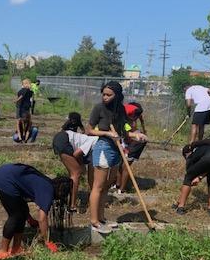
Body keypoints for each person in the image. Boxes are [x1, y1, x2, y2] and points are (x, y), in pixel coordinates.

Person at [0, 163, 71, 259]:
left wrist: (29, 219)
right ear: (60, 192)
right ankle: (2, 251)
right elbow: (42, 218)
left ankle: (16, 249)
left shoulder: (46, 184)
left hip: (5, 174)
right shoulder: (48, 191)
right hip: (4, 180)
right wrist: (47, 241)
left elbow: (24, 207)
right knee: (15, 216)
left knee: (21, 214)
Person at [86, 81, 127, 235]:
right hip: (103, 146)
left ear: (117, 96)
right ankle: (94, 221)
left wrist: (135, 135)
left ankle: (102, 218)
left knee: (107, 185)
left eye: (109, 95)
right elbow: (89, 130)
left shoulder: (121, 109)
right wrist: (107, 133)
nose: (105, 97)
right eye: (103, 94)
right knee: (98, 185)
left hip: (116, 148)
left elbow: (124, 130)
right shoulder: (99, 108)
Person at [174, 140, 210, 216]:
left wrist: (193, 178)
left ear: (187, 153)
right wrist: (199, 177)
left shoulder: (194, 152)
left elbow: (190, 173)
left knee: (188, 178)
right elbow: (209, 167)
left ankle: (180, 207)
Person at [52, 129, 97, 212]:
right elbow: (76, 153)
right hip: (64, 139)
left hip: (62, 139)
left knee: (74, 173)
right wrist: (81, 165)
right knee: (76, 173)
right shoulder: (95, 141)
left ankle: (64, 200)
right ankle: (72, 205)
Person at [114, 102, 148, 194]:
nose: (134, 120)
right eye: (133, 118)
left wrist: (143, 131)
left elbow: (127, 133)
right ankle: (117, 184)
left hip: (137, 141)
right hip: (131, 138)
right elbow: (124, 133)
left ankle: (122, 189)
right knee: (120, 163)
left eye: (135, 118)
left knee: (126, 165)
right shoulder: (122, 114)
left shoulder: (130, 113)